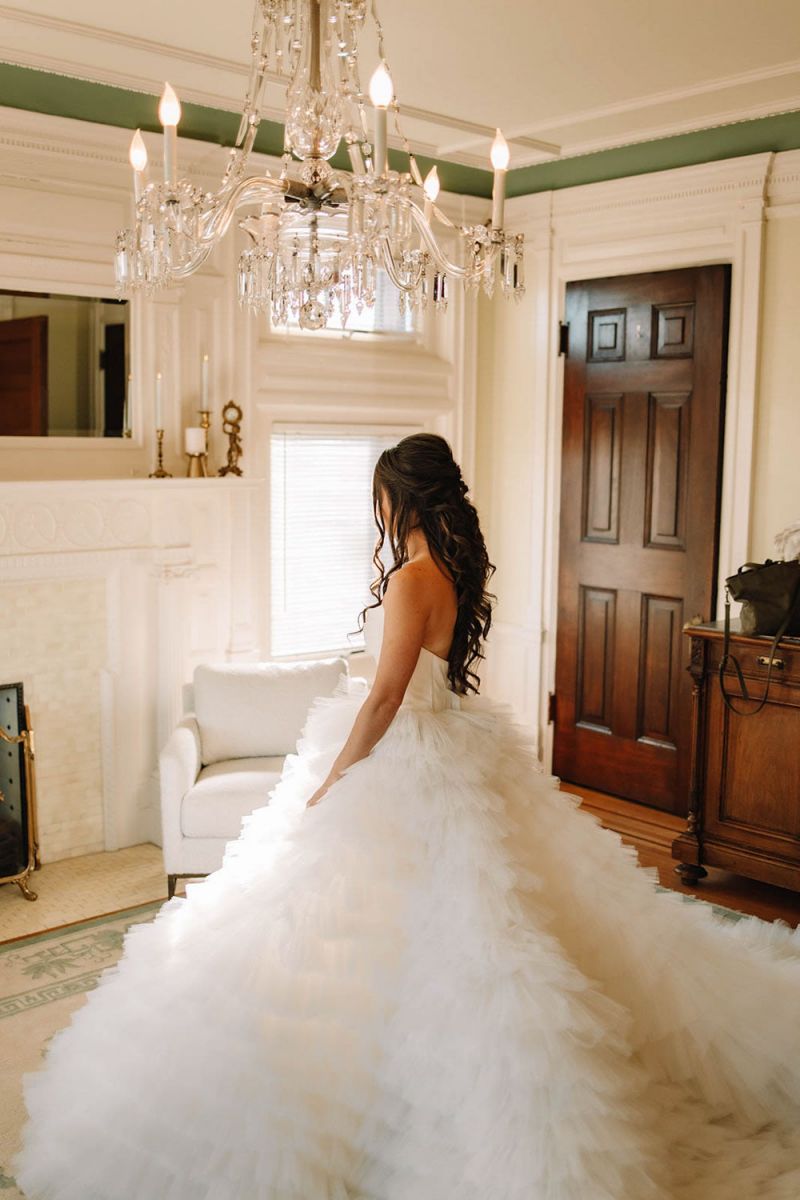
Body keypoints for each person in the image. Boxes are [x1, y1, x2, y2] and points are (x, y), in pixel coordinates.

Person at [11, 433, 800, 1200]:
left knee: (353, 915)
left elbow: (387, 696)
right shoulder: (449, 571)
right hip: (444, 744)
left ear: (402, 500)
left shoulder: (411, 580)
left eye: (381, 497)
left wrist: (335, 777)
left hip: (405, 753)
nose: (377, 512)